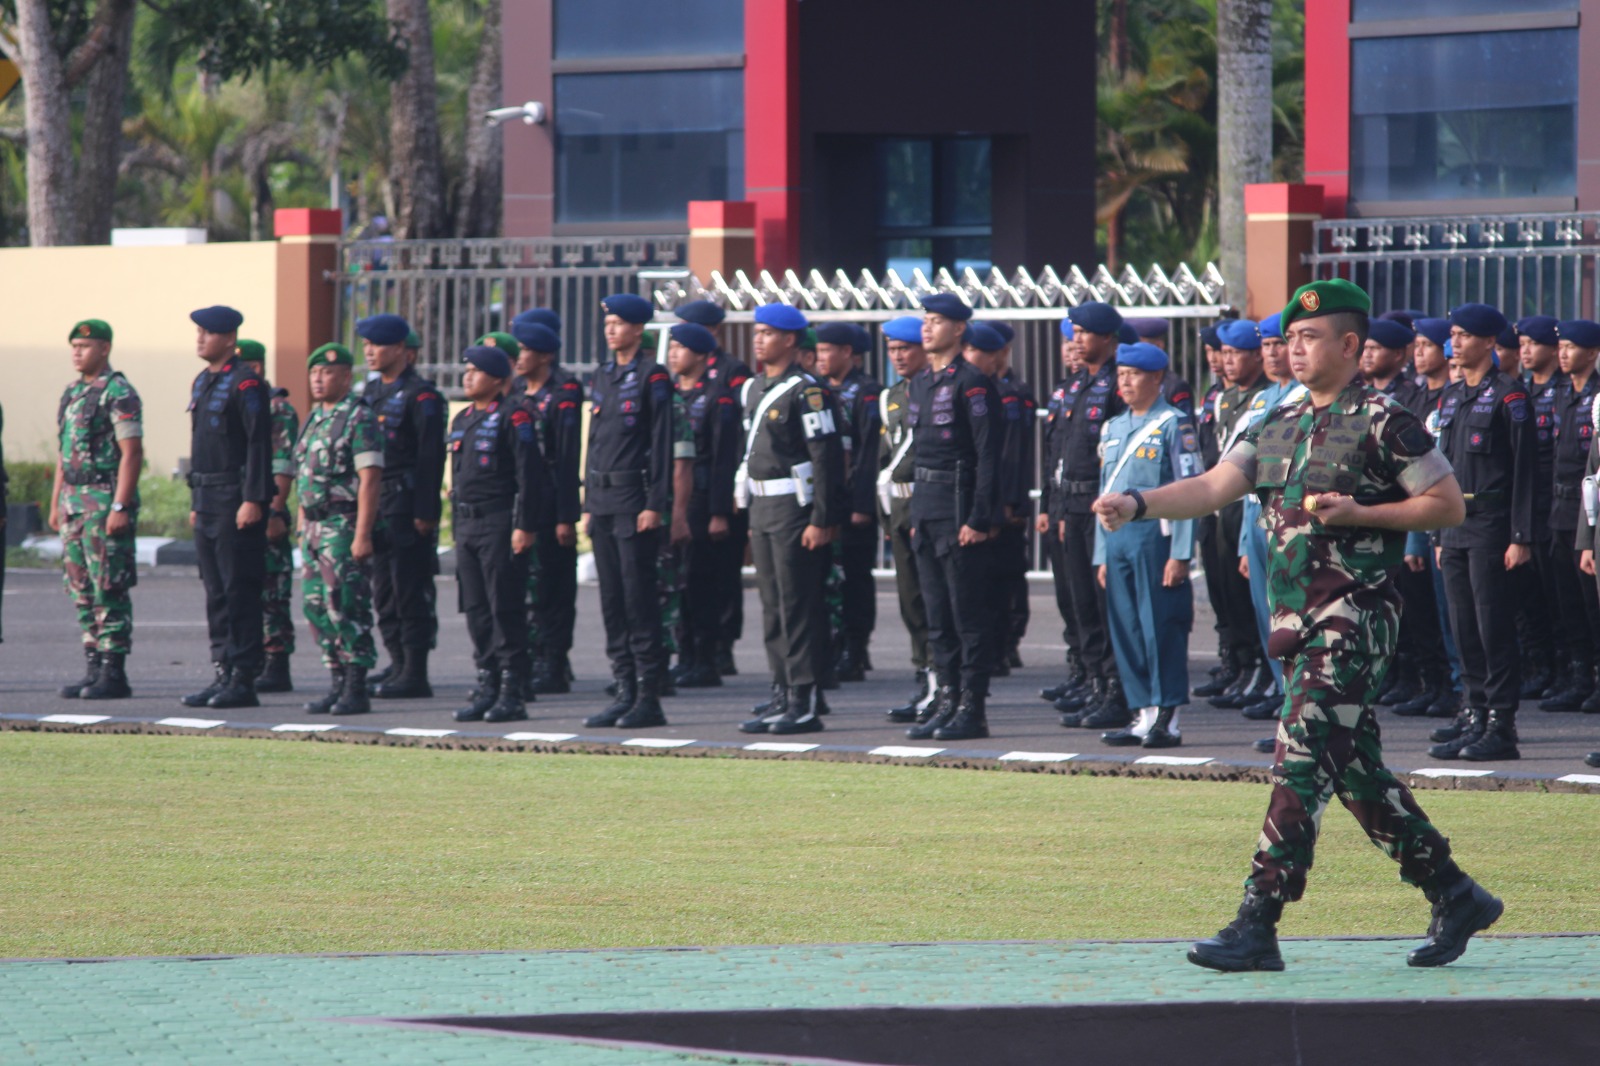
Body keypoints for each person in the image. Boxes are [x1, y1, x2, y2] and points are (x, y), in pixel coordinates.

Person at [1095, 278, 1502, 973]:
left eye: (1309, 337)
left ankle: (1259, 918)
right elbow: (1214, 487)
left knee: (1302, 751)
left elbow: (1447, 504)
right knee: (1352, 771)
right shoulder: (1274, 421)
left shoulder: (1386, 420)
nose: (1294, 348)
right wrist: (1137, 501)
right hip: (1294, 624)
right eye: (1289, 337)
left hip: (1355, 618)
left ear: (1349, 344)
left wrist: (1363, 515)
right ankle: (1453, 891)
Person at [1429, 303, 1536, 763]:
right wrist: (1435, 533)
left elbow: (1525, 472)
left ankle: (1501, 725)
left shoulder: (1510, 397)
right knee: (1463, 627)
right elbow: (1440, 470)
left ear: (1490, 342)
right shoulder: (1451, 398)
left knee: (1493, 626)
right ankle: (1473, 714)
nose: (1455, 342)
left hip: (1493, 525)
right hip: (1455, 525)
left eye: (1464, 335)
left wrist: (1521, 535)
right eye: (1452, 334)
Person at [735, 303, 845, 735]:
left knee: (797, 604)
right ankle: (781, 688)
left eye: (767, 333)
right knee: (772, 606)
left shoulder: (807, 391)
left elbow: (826, 457)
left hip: (793, 510)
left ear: (790, 340)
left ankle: (804, 697)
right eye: (757, 331)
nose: (759, 339)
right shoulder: (754, 387)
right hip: (762, 507)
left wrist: (822, 518)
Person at [902, 293, 1002, 741]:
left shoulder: (973, 383)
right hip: (926, 511)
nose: (927, 328)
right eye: (925, 320)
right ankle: (945, 700)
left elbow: (987, 456)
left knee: (968, 617)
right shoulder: (921, 381)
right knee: (937, 617)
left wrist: (980, 518)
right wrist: (914, 514)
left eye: (937, 320)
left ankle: (971, 708)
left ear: (959, 329)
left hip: (959, 510)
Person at [1093, 341, 1201, 748]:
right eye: (1121, 375)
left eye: (1134, 374)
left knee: (1161, 625)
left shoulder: (1173, 423)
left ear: (1157, 378)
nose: (1125, 382)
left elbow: (1190, 490)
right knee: (1127, 626)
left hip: (1157, 537)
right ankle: (1142, 712)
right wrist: (1102, 553)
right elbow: (1107, 492)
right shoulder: (1113, 427)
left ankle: (1167, 714)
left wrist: (1181, 554)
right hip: (1119, 539)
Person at [582, 293, 675, 729]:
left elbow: (660, 446)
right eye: (608, 323)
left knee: (639, 602)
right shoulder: (602, 376)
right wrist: (586, 504)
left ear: (639, 329)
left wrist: (655, 504)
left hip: (633, 503)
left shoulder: (652, 377)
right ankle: (623, 690)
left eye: (618, 323)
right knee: (612, 602)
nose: (610, 330)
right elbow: (595, 442)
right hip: (601, 502)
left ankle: (648, 696)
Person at [180, 305, 275, 710]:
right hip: (208, 498)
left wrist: (254, 498)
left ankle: (243, 677)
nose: (200, 338)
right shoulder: (203, 382)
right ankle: (222, 671)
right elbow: (201, 446)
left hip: (236, 499)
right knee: (216, 592)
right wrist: (195, 500)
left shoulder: (247, 385)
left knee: (239, 590)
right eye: (198, 331)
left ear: (230, 338)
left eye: (208, 332)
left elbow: (258, 444)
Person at [449, 344, 548, 723]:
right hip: (467, 524)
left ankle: (511, 690)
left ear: (497, 379)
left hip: (499, 522)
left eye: (476, 371)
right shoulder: (461, 419)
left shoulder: (515, 416)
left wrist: (524, 525)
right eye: (467, 370)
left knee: (504, 607)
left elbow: (529, 476)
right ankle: (487, 683)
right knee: (476, 609)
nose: (468, 377)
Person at [1045, 302, 1130, 729]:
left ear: (1107, 338)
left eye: (1083, 332)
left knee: (1103, 605)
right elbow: (1060, 453)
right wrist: (1054, 508)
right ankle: (1096, 684)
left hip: (1101, 506)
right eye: (1073, 333)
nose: (1076, 340)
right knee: (1080, 603)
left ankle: (1117, 690)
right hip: (1071, 505)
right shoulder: (1077, 385)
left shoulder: (1118, 383)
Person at [356, 314, 447, 699]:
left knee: (410, 589)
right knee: (384, 592)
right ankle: (396, 663)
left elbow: (430, 459)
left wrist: (426, 512)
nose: (369, 352)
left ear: (399, 350)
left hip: (407, 504)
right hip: (377, 503)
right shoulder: (372, 392)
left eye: (377, 345)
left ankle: (415, 671)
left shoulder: (421, 395)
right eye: (366, 345)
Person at [52, 319, 143, 701]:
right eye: (73, 346)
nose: (77, 352)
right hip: (74, 503)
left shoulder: (118, 391)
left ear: (104, 349)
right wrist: (57, 500)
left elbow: (132, 452)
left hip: (104, 502)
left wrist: (120, 504)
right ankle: (93, 668)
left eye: (84, 346)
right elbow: (63, 454)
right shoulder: (72, 393)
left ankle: (113, 671)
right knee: (81, 589)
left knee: (110, 586)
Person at [294, 343, 383, 715]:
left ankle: (356, 684)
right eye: (314, 372)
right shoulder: (315, 418)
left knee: (345, 604)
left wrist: (362, 534)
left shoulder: (358, 418)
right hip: (313, 526)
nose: (318, 379)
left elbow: (370, 478)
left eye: (326, 372)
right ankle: (335, 680)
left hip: (341, 525)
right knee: (315, 606)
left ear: (346, 377)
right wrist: (301, 521)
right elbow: (304, 474)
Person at [673, 299, 754, 676]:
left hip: (717, 490)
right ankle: (692, 648)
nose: (678, 346)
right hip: (688, 493)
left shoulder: (731, 373)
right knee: (689, 577)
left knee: (721, 574)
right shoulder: (677, 384)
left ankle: (720, 646)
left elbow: (730, 444)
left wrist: (725, 504)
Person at [1232, 315, 1305, 726]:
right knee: (1268, 624)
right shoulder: (1261, 401)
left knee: (1292, 625)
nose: (1274, 353)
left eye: (1282, 343)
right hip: (1258, 527)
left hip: (1288, 528)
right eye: (1268, 346)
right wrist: (1246, 541)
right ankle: (1284, 706)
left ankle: (1295, 714)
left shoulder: (1306, 397)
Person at [511, 316, 584, 695]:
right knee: (528, 588)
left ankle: (554, 662)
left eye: (524, 350)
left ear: (544, 355)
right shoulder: (517, 391)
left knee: (554, 590)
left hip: (553, 500)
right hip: (524, 502)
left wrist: (566, 516)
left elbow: (569, 457)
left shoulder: (564, 390)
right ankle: (537, 656)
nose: (519, 357)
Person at [1205, 319, 1274, 712]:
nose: (1228, 361)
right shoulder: (1225, 399)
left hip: (1249, 503)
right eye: (1225, 354)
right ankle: (1244, 666)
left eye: (1237, 354)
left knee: (1259, 600)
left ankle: (1265, 672)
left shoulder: (1268, 397)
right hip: (1224, 502)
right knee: (1228, 591)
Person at [814, 322, 882, 682]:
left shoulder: (867, 393)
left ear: (848, 354)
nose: (821, 357)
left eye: (828, 350)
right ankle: (833, 647)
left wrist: (861, 504)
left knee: (855, 580)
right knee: (828, 580)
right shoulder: (818, 390)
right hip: (827, 501)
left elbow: (870, 453)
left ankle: (855, 650)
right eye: (819, 350)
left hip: (853, 503)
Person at [878, 315, 938, 722]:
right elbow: (887, 456)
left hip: (927, 503)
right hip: (898, 507)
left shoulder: (935, 390)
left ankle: (942, 684)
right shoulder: (891, 396)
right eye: (893, 350)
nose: (898, 356)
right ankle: (925, 678)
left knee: (934, 599)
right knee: (910, 600)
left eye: (905, 349)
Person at [232, 339, 300, 694]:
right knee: (240, 588)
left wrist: (275, 510)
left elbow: (282, 464)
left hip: (266, 508)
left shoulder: (278, 409)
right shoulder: (233, 398)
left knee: (272, 589)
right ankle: (248, 656)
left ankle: (276, 660)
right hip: (236, 506)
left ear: (255, 368)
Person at [1550, 319, 1600, 714]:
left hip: (1586, 510)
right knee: (1566, 600)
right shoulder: (1562, 392)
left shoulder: (1596, 394)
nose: (1563, 353)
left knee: (1590, 603)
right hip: (1561, 509)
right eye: (1561, 346)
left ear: (1593, 352)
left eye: (1571, 346)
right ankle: (1579, 674)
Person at [1193, 324, 1244, 701]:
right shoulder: (1219, 396)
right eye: (1216, 352)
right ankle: (1234, 662)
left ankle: (1250, 665)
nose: (1219, 360)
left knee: (1240, 590)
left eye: (1227, 352)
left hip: (1239, 504)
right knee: (1221, 589)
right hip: (1212, 502)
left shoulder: (1255, 398)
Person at [988, 321, 1037, 673]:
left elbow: (1014, 452)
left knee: (1007, 573)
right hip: (984, 497)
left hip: (1006, 497)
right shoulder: (977, 387)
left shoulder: (1013, 393)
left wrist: (1011, 500)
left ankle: (1007, 641)